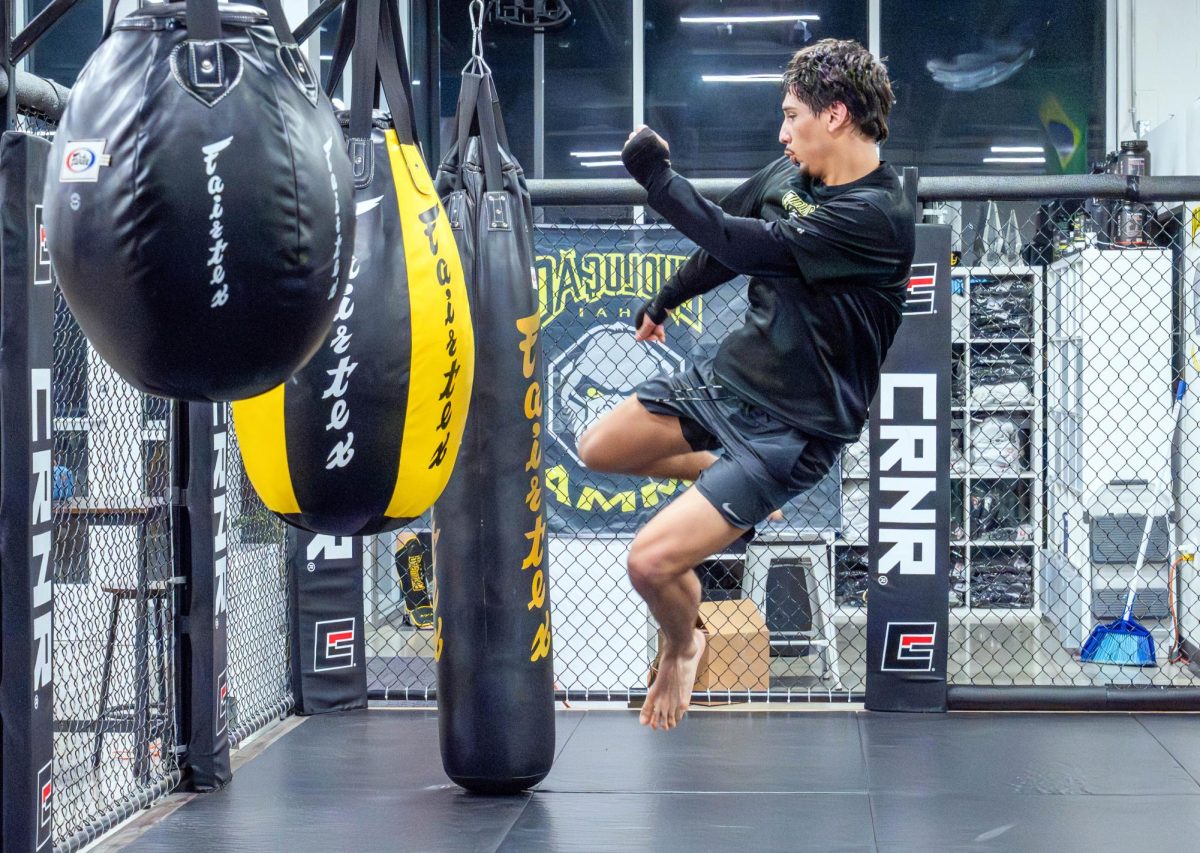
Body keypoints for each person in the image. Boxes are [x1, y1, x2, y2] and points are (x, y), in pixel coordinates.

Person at [577, 38, 916, 731]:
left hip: (791, 430)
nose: (782, 133)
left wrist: (657, 178)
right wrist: (664, 300)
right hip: (726, 382)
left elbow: (745, 243)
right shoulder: (788, 174)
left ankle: (683, 644)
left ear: (835, 115)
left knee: (650, 563)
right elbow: (721, 247)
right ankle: (716, 470)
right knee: (597, 447)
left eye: (792, 116)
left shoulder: (877, 217)